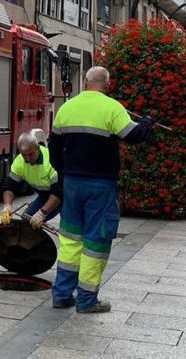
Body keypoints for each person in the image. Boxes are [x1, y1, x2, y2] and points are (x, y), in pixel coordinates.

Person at [47, 67, 153, 314]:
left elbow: (53, 148)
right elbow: (133, 135)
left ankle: (61, 295)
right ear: (107, 84)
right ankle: (86, 300)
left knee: (70, 240)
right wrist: (146, 123)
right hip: (100, 186)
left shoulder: (67, 108)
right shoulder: (112, 107)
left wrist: (64, 173)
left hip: (72, 183)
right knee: (96, 242)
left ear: (85, 82)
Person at [0, 133, 62, 230]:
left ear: (38, 148)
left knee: (69, 227)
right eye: (24, 155)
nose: (28, 159)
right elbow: (9, 187)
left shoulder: (50, 160)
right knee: (26, 221)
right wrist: (7, 206)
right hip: (44, 197)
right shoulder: (19, 162)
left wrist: (42, 213)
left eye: (31, 154)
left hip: (63, 198)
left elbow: (58, 192)